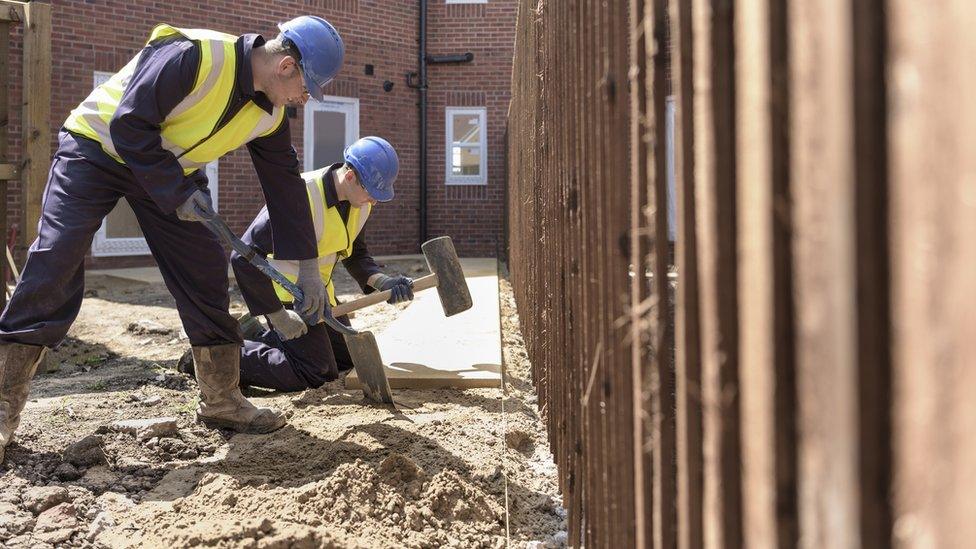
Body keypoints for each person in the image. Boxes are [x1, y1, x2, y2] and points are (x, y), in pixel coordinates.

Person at [0, 15, 347, 462]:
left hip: (168, 172)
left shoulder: (270, 113)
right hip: (97, 149)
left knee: (203, 269)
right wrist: (176, 192)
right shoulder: (194, 54)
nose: (305, 99)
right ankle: (5, 404)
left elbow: (285, 186)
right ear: (285, 67)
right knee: (57, 258)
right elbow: (129, 124)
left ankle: (222, 399)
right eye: (307, 88)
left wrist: (306, 268)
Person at [178, 137, 413, 392]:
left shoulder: (360, 202)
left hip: (320, 297)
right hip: (285, 297)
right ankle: (212, 356)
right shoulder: (299, 195)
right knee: (315, 371)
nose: (374, 201)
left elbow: (356, 255)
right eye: (371, 192)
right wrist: (278, 316)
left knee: (348, 358)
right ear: (350, 177)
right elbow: (242, 259)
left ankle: (260, 337)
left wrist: (383, 282)